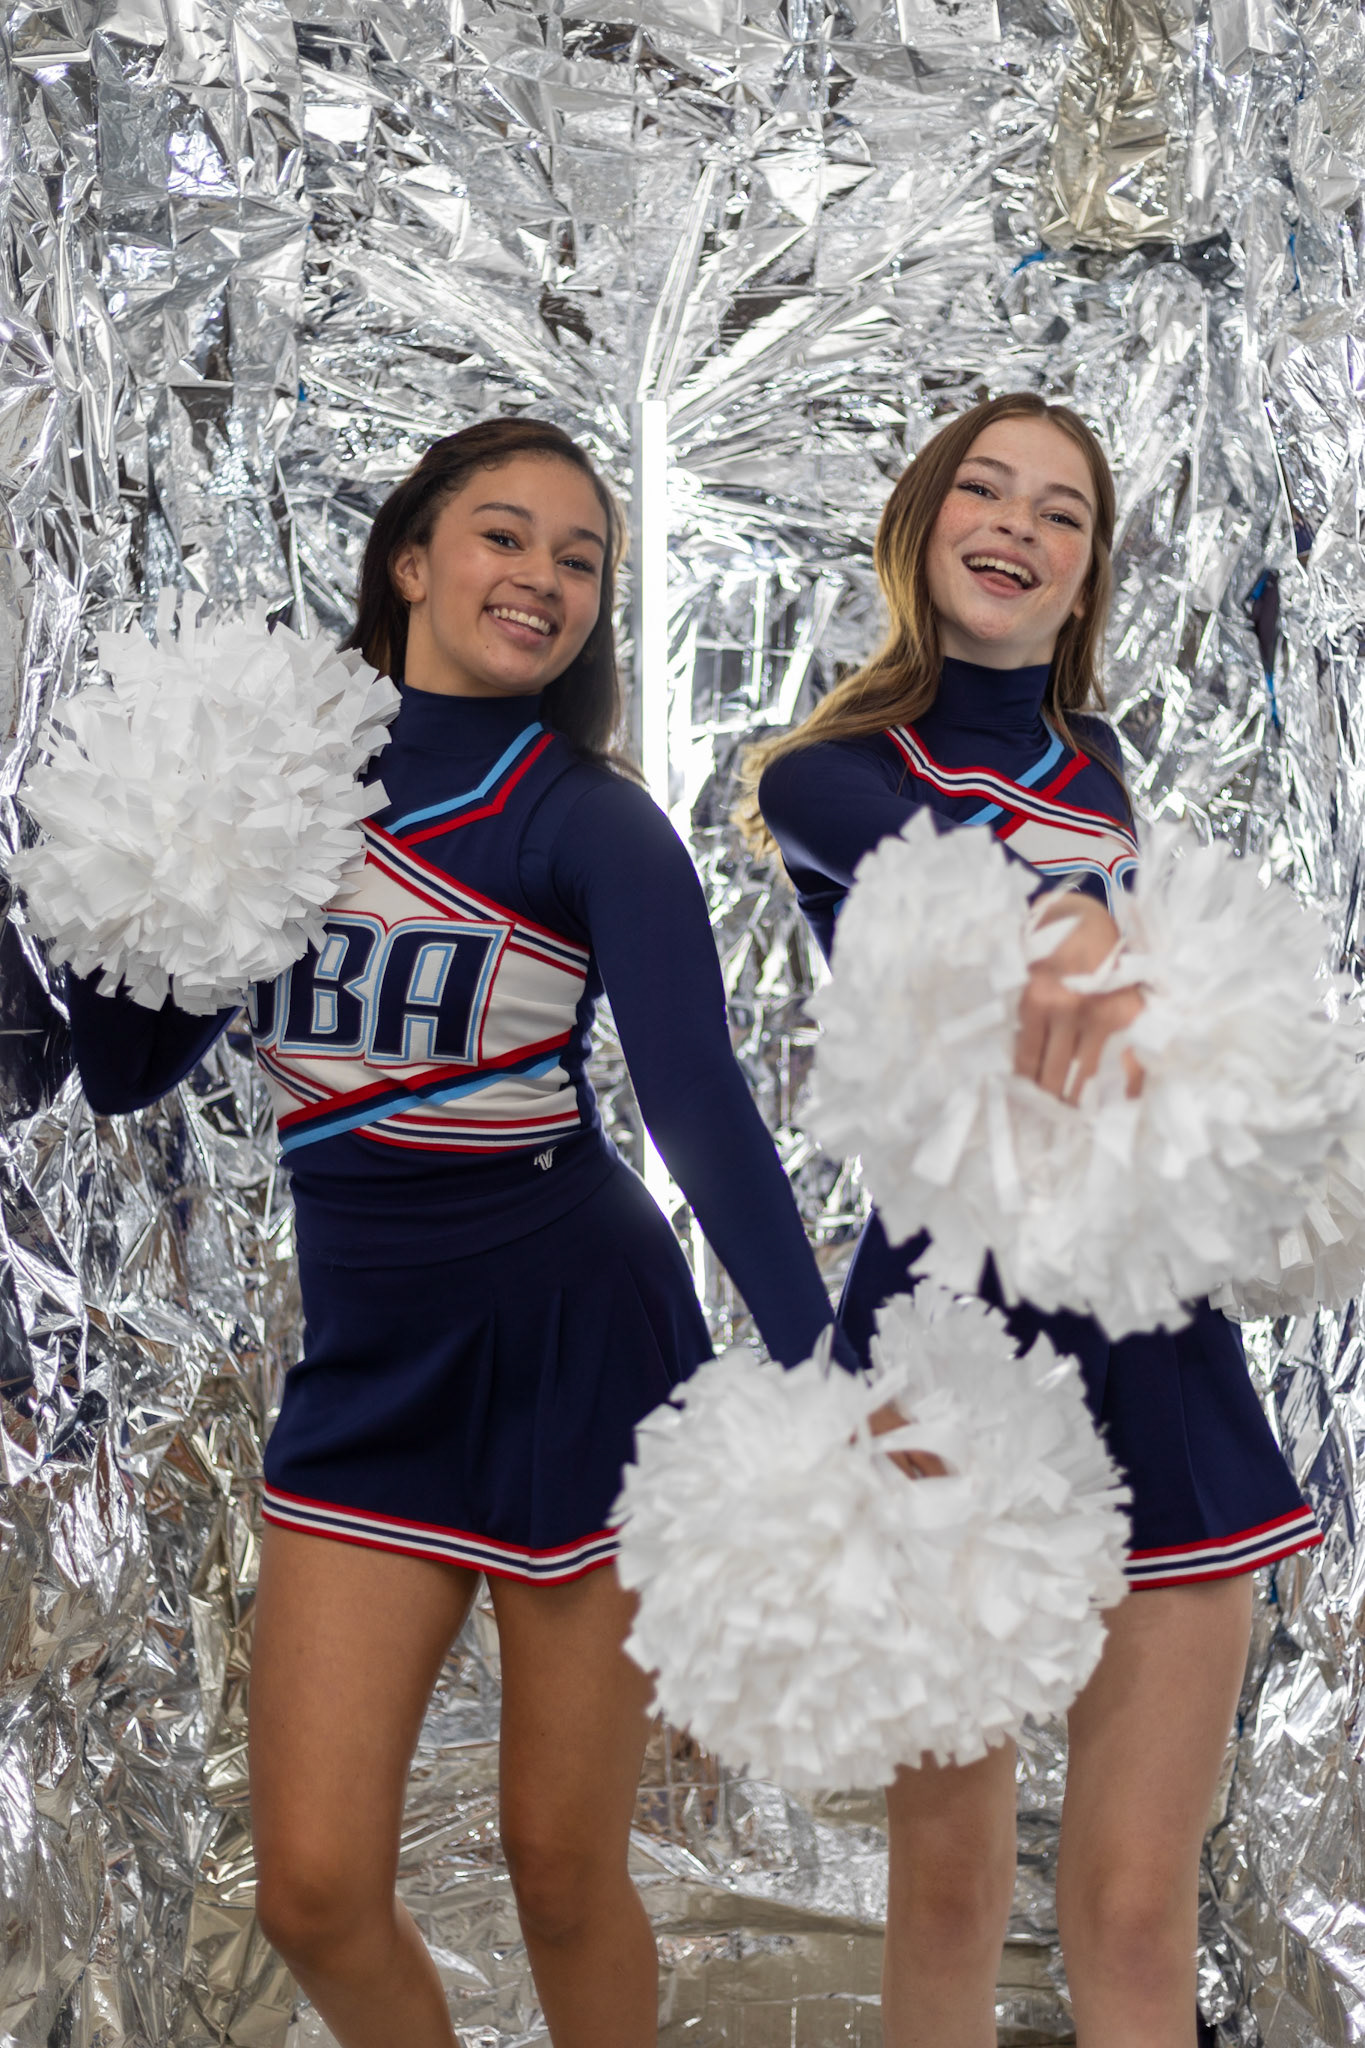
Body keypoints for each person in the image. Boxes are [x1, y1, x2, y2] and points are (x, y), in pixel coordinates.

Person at [65, 418, 850, 2048]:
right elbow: (131, 1065)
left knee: (560, 1870)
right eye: (505, 536)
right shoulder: (275, 790)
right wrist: (107, 858)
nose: (542, 577)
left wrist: (831, 1383)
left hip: (583, 1350)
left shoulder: (584, 821)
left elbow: (700, 1111)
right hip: (374, 1371)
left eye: (579, 559)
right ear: (411, 561)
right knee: (312, 1891)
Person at [746, 392, 1320, 2048]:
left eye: (1060, 511)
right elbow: (959, 887)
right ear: (922, 529)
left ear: (1084, 575)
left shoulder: (1097, 764)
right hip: (951, 1339)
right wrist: (1070, 926)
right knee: (947, 1893)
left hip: (1151, 1337)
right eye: (983, 492)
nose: (1016, 525)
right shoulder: (827, 778)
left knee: (1134, 1910)